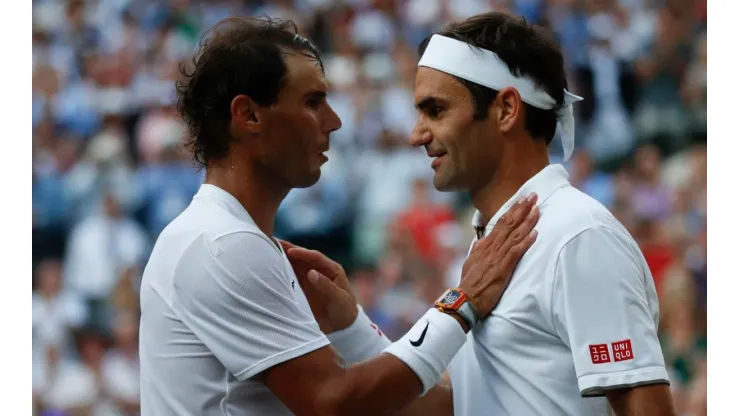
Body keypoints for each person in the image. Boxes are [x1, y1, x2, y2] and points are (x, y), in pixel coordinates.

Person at [138, 16, 541, 415]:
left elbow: (406, 406)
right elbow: (332, 403)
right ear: (249, 115)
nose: (335, 122)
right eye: (313, 102)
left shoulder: (230, 239)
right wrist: (461, 303)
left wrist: (351, 327)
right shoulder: (224, 244)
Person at [287, 12, 677, 416]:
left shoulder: (578, 235)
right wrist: (353, 327)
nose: (416, 134)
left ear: (506, 109)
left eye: (435, 111)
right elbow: (459, 406)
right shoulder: (496, 242)